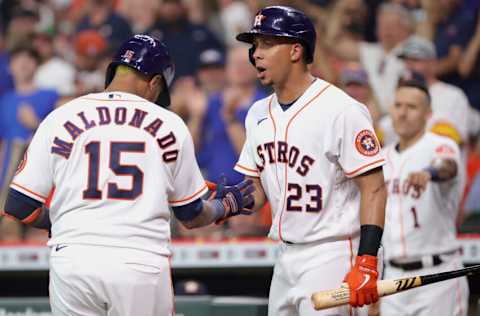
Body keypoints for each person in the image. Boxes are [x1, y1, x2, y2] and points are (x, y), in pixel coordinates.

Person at [1, 34, 254, 315]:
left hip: (73, 260)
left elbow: (18, 205)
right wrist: (223, 205)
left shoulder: (60, 117)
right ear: (156, 82)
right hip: (139, 260)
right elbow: (191, 215)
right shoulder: (168, 124)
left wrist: (58, 220)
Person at [234, 6, 387, 316]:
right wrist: (228, 202)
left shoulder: (342, 109)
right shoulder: (257, 113)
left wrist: (367, 260)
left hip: (332, 251)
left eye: (266, 44)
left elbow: (374, 187)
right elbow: (257, 189)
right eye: (254, 46)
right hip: (284, 255)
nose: (256, 55)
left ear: (295, 50)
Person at [380, 74, 469, 315]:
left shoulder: (440, 144)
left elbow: (447, 166)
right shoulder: (382, 158)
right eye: (398, 106)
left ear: (428, 114)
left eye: (412, 107)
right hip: (393, 279)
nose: (403, 113)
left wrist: (429, 173)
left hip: (437, 275)